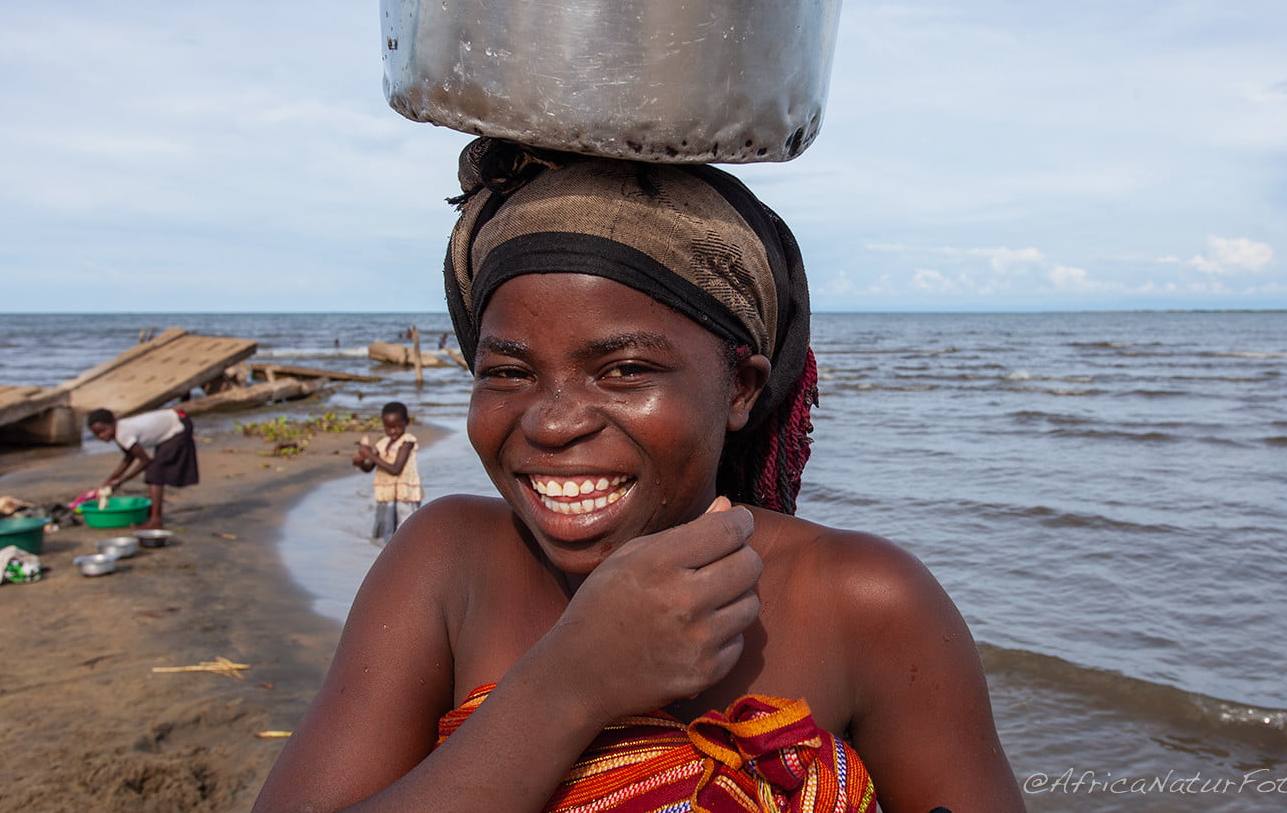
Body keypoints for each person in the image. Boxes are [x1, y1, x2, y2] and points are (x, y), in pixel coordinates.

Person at [255, 139, 1024, 812]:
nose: (553, 424)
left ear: (742, 389)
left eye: (624, 370)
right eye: (507, 373)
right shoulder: (449, 562)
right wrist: (567, 684)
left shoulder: (863, 602)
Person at [85, 407, 198, 529]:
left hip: (177, 427)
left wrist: (120, 481)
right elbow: (129, 457)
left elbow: (145, 461)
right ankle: (153, 512)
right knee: (156, 471)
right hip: (176, 420)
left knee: (155, 473)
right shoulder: (119, 431)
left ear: (113, 423)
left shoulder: (123, 433)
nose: (101, 436)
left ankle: (156, 521)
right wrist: (111, 479)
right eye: (96, 434)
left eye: (103, 431)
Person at [351, 401, 424, 541]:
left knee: (406, 532)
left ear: (406, 422)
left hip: (404, 496)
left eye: (397, 426)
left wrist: (369, 454)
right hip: (388, 496)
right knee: (389, 533)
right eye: (388, 427)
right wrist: (360, 462)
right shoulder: (382, 444)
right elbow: (369, 468)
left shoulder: (406, 442)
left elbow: (395, 469)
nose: (393, 431)